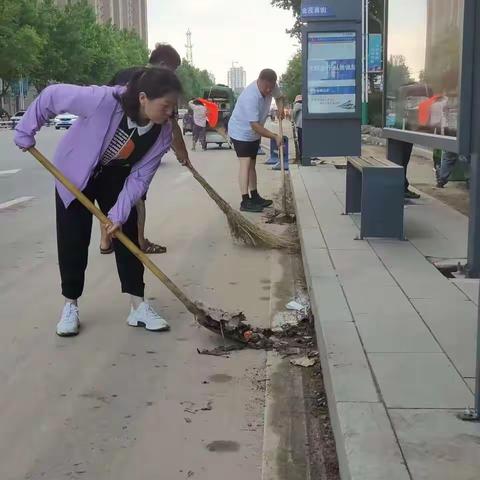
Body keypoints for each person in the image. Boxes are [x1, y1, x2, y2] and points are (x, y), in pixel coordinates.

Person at [14, 67, 182, 336]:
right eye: (166, 106)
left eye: (174, 107)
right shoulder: (103, 100)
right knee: (73, 238)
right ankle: (70, 304)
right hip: (74, 173)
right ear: (143, 98)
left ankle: (138, 306)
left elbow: (140, 177)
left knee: (127, 232)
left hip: (116, 176)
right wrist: (26, 129)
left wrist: (117, 214)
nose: (171, 113)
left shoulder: (163, 133)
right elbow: (51, 96)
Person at [100, 43, 191, 255]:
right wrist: (182, 153)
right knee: (137, 197)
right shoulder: (160, 86)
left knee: (109, 196)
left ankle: (106, 241)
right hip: (134, 150)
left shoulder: (124, 74)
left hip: (107, 149)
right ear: (163, 64)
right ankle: (139, 242)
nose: (173, 76)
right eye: (173, 70)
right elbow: (171, 124)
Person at [228, 68, 284, 212]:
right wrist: (274, 136)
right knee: (245, 164)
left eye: (271, 87)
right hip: (241, 132)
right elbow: (255, 126)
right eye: (266, 87)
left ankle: (255, 195)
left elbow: (279, 97)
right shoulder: (250, 96)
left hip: (254, 134)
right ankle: (245, 201)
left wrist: (280, 108)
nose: (268, 90)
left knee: (252, 164)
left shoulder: (272, 86)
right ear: (259, 80)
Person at [292, 94, 303, 160]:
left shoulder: (298, 104)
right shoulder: (304, 105)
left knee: (301, 141)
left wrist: (293, 120)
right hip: (305, 125)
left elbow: (293, 113)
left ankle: (301, 155)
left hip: (300, 126)